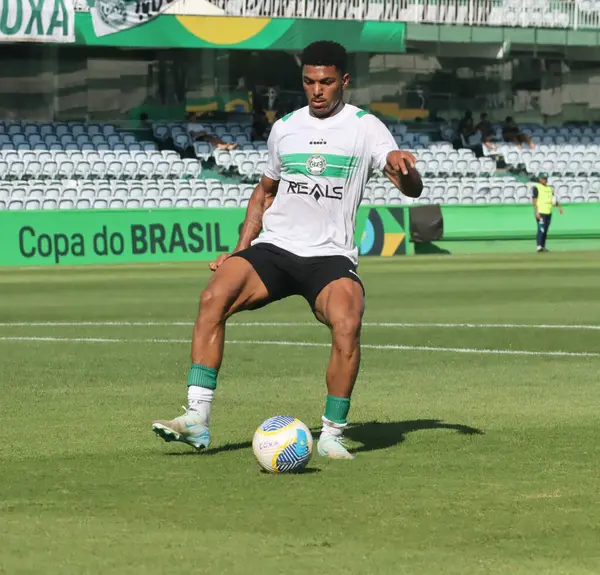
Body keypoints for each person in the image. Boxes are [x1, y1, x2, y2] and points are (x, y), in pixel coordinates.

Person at [151, 40, 422, 460]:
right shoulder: (286, 127)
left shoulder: (366, 127)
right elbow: (264, 192)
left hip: (329, 257)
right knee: (213, 296)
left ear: (344, 81)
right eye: (310, 81)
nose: (317, 90)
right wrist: (238, 251)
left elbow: (407, 184)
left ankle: (332, 433)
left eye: (327, 82)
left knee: (347, 322)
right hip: (274, 248)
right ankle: (196, 419)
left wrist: (407, 171)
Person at [532, 172, 563, 252]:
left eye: (546, 179)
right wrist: (536, 212)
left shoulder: (549, 188)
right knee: (541, 229)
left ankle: (543, 246)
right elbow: (534, 200)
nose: (545, 180)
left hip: (548, 212)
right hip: (541, 212)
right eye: (543, 179)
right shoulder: (537, 187)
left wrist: (559, 207)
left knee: (545, 229)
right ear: (540, 179)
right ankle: (539, 245)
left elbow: (553, 199)